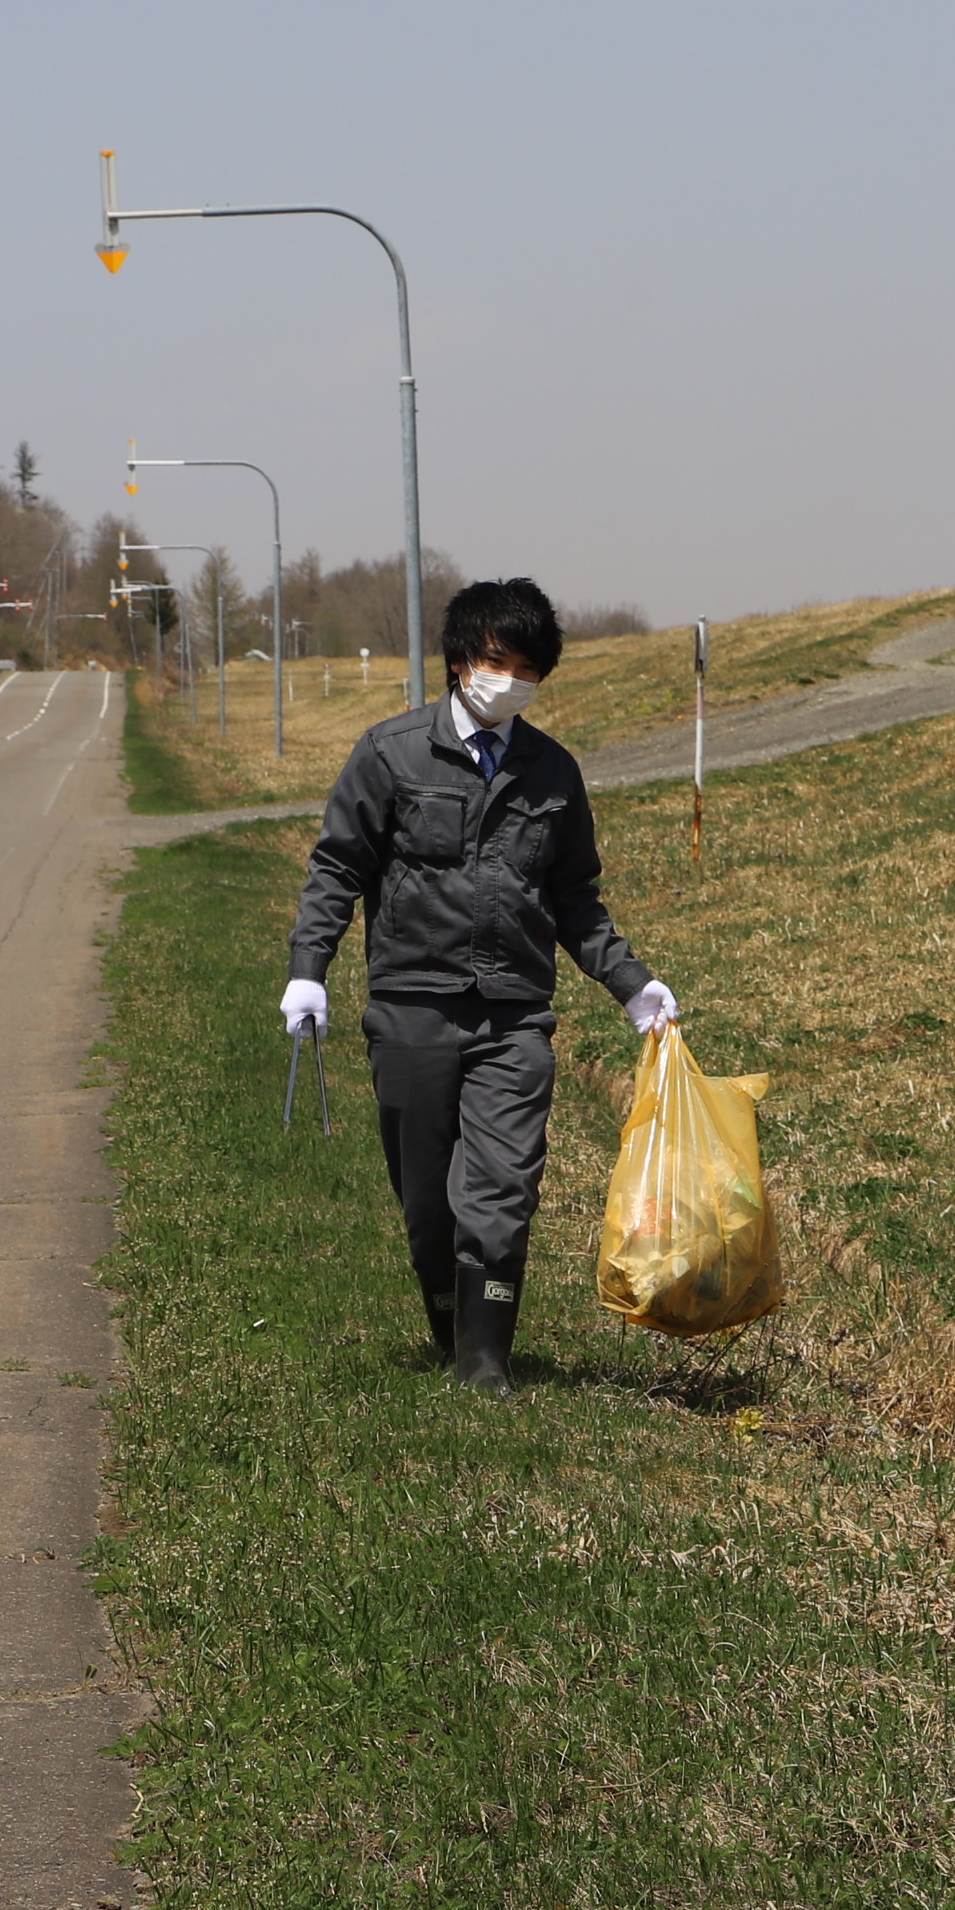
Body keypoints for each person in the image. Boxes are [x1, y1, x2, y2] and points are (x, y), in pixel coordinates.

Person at [284, 579, 678, 1395]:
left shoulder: (554, 773)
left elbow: (574, 898)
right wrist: (307, 972)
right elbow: (337, 869)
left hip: (514, 1018)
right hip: (411, 1007)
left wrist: (632, 984)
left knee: (500, 1193)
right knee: (430, 1204)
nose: (511, 681)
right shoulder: (389, 753)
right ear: (461, 661)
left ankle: (485, 1362)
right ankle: (449, 1320)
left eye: (528, 670)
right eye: (498, 662)